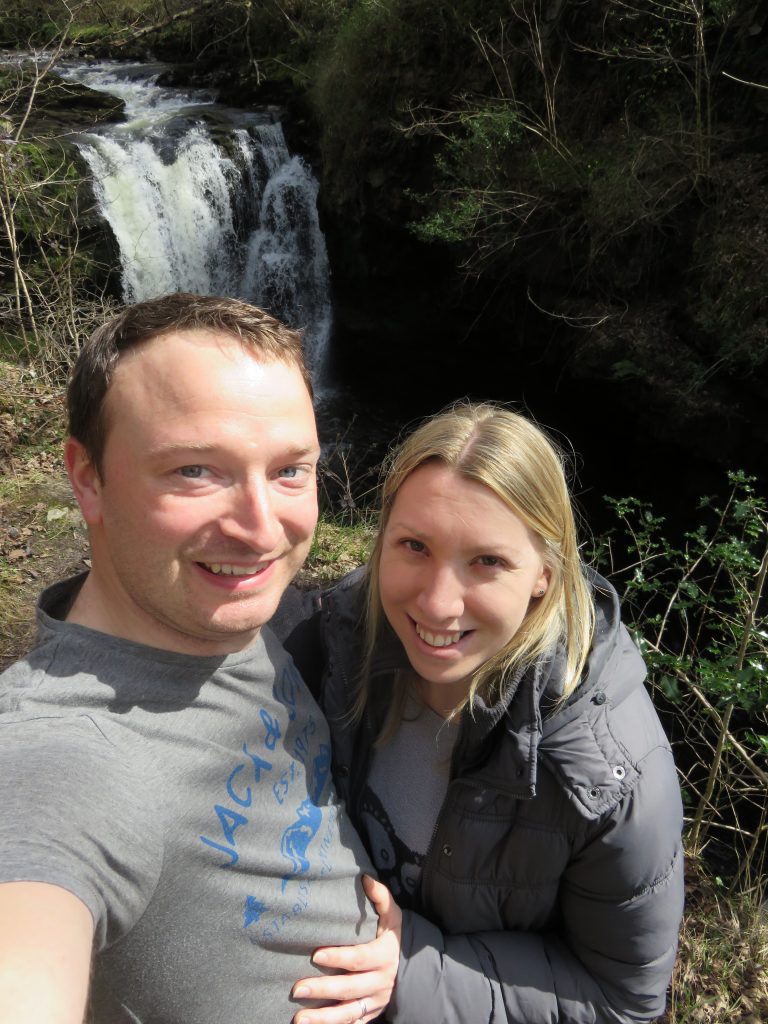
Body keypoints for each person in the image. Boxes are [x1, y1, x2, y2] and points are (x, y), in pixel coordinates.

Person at [0, 293, 399, 1024]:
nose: (259, 530)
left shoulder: (232, 617)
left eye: (290, 470)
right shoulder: (60, 756)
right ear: (87, 478)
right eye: (194, 470)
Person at [275, 402, 685, 1024]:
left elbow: (623, 1001)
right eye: (414, 545)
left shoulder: (611, 779)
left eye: (487, 562)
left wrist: (409, 969)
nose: (438, 605)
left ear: (544, 574)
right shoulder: (334, 641)